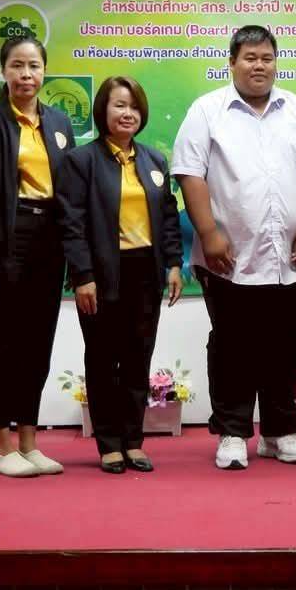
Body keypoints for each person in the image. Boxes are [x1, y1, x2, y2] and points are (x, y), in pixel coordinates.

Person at [172, 25, 296, 470]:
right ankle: (233, 432)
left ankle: (280, 432)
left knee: (286, 345)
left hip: (290, 256)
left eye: (267, 58)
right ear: (232, 62)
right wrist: (208, 232)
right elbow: (189, 173)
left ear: (276, 62)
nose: (259, 66)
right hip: (227, 256)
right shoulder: (207, 110)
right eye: (250, 58)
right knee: (232, 346)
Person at [56, 77, 183, 475]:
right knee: (102, 359)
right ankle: (109, 444)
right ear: (103, 111)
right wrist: (82, 275)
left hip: (146, 272)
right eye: (119, 105)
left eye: (134, 106)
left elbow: (167, 217)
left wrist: (174, 263)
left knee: (137, 359)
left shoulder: (153, 161)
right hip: (101, 274)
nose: (128, 113)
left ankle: (133, 441)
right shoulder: (82, 161)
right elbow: (71, 223)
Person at [0, 35, 74, 477]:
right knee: (2, 343)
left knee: (37, 344)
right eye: (17, 66)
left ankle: (29, 443)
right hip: (7, 241)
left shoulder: (59, 122)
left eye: (34, 66)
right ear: (4, 71)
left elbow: (70, 190)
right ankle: (0, 447)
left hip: (50, 242)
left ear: (44, 71)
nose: (26, 75)